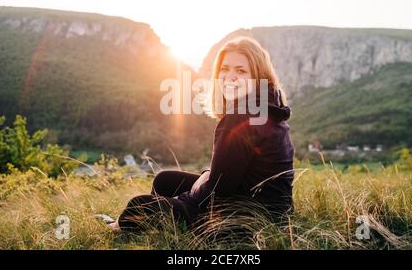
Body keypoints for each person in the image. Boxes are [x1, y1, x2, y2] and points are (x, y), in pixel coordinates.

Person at [104, 36, 295, 232]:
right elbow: (232, 172)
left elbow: (218, 193)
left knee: (140, 206)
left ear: (257, 76)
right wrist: (207, 175)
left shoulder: (239, 117)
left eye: (241, 71)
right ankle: (156, 227)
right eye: (225, 69)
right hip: (274, 214)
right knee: (165, 180)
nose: (230, 77)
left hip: (243, 221)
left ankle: (119, 227)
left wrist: (180, 200)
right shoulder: (270, 108)